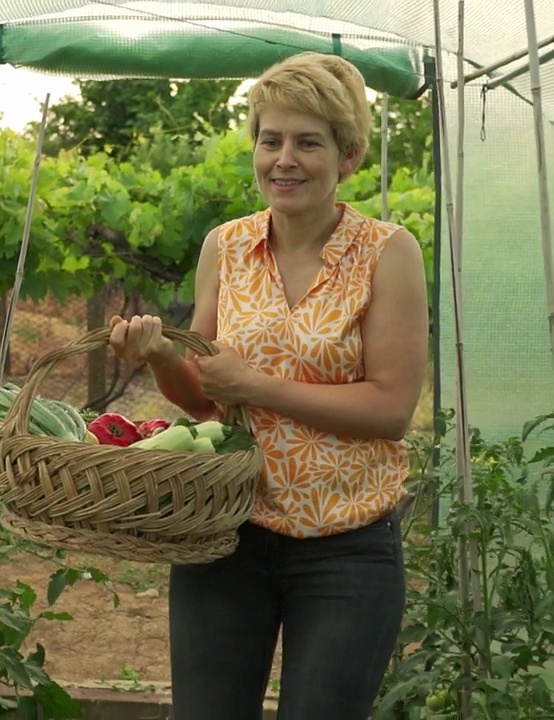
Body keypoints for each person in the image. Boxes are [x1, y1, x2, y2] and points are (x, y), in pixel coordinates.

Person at [107, 51, 428, 719]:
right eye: (271, 139)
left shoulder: (388, 253)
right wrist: (164, 356)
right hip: (227, 530)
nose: (284, 159)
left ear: (348, 156)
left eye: (308, 142)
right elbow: (202, 398)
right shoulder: (225, 247)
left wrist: (255, 384)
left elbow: (391, 408)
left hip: (348, 547)